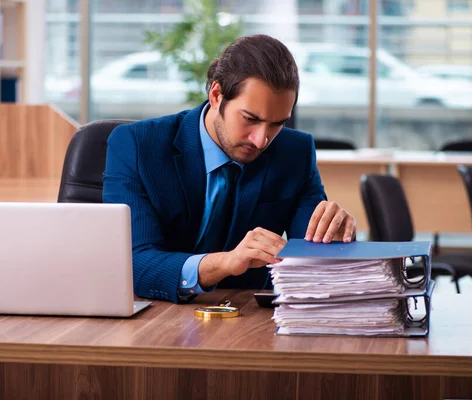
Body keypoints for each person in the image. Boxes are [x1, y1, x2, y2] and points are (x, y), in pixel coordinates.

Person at [103, 34, 356, 303]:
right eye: (250, 119)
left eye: (277, 124)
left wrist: (335, 238)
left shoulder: (295, 152)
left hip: (248, 321)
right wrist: (225, 263)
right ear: (216, 95)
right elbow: (133, 262)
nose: (262, 140)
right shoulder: (137, 146)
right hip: (154, 316)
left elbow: (310, 261)